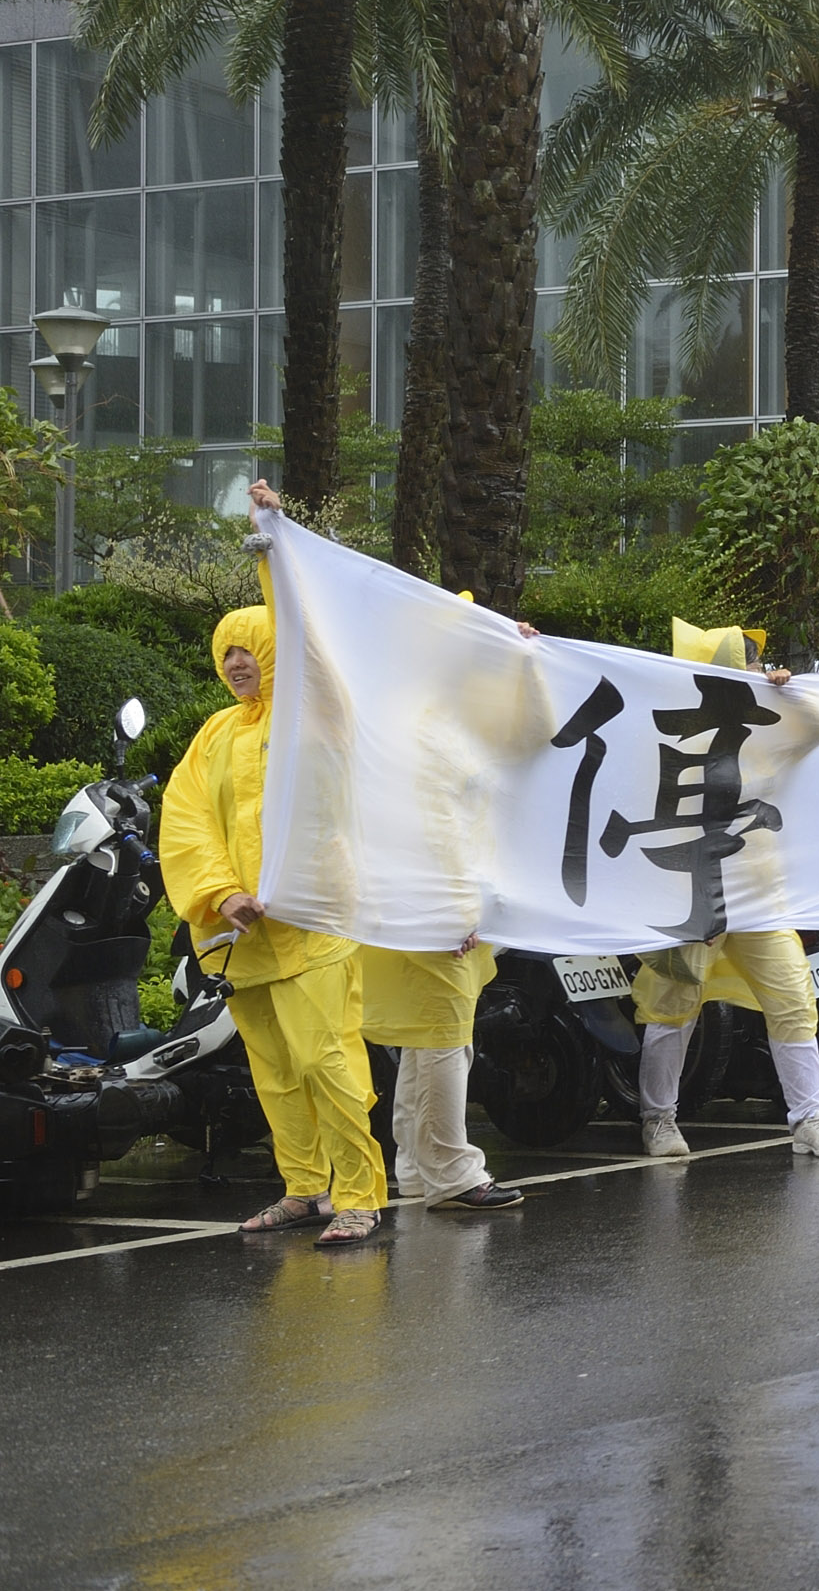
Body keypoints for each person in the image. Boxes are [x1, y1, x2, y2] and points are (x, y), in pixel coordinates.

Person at [161, 494, 389, 1245]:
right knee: (275, 1072)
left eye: (250, 649)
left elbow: (310, 642)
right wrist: (220, 893)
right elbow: (187, 819)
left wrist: (273, 549)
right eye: (226, 652)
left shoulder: (312, 713)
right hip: (246, 939)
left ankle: (360, 1195)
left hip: (314, 925)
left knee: (328, 1061)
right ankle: (304, 1188)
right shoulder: (214, 735)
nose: (237, 664)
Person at [631, 622, 819, 1160]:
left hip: (757, 894)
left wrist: (786, 691)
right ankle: (658, 1119)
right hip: (692, 890)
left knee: (793, 998)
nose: (760, 664)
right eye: (749, 660)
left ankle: (811, 1117)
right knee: (673, 1006)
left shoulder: (766, 722)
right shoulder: (670, 724)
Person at [359, 937, 522, 1211]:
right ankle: (450, 1173)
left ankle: (419, 1167)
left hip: (425, 914)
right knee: (447, 1027)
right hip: (437, 915)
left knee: (424, 1025)